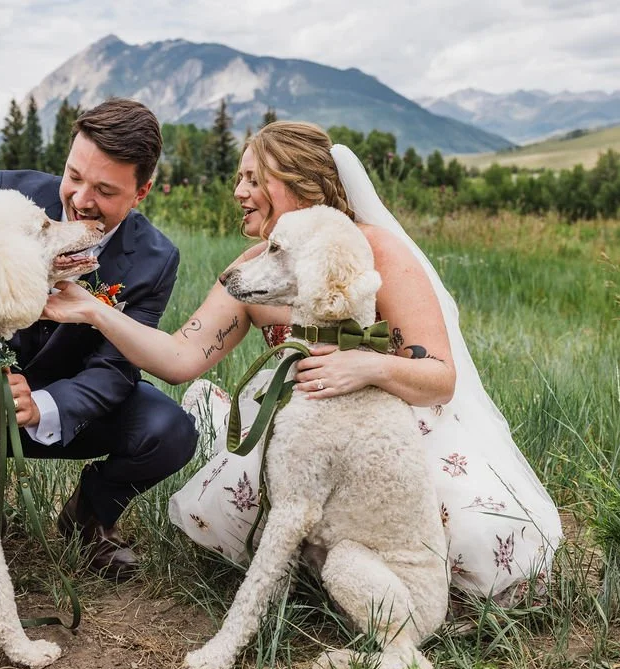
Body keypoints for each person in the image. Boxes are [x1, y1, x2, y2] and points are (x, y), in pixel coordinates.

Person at [42, 121, 562, 602]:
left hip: (393, 428)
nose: (238, 192)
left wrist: (368, 366)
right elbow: (180, 358)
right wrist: (95, 311)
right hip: (304, 435)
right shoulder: (250, 271)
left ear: (299, 186)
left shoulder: (375, 251)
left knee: (468, 539)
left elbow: (439, 377)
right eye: (239, 179)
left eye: (252, 179)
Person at [0, 98, 198, 583]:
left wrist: (41, 406)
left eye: (105, 189)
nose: (80, 198)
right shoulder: (6, 195)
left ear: (142, 192)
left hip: (60, 407)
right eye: (74, 175)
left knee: (168, 428)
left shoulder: (155, 258)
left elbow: (113, 368)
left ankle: (87, 519)